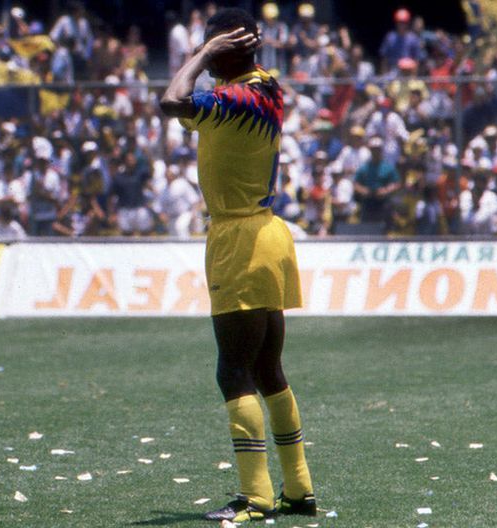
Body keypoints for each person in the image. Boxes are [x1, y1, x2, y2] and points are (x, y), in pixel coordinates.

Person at [160, 8, 315, 523]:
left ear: (226, 50)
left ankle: (256, 497)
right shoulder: (264, 89)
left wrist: (204, 52)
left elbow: (171, 101)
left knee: (234, 369)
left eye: (212, 48)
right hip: (268, 233)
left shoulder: (232, 100)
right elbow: (188, 107)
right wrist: (219, 50)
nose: (204, 59)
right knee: (268, 367)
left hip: (238, 237)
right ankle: (298, 488)